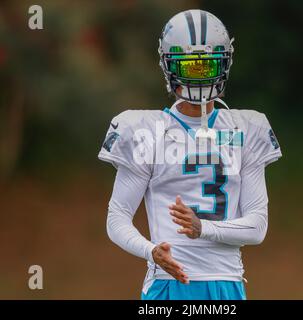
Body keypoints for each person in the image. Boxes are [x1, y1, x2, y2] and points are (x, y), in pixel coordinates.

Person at [98, 9, 282, 300]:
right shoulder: (146, 131)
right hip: (169, 284)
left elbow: (257, 226)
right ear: (169, 67)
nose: (199, 76)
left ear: (224, 65)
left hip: (227, 284)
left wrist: (203, 228)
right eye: (190, 67)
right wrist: (150, 251)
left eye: (207, 66)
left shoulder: (247, 128)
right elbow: (117, 217)